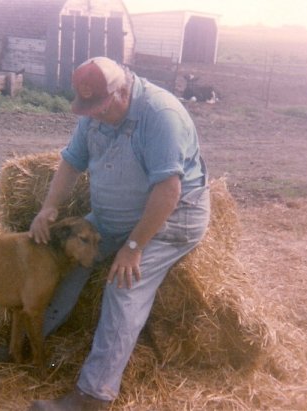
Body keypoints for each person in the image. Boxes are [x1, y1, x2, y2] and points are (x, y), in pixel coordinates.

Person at [28, 56, 210, 411]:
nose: (92, 115)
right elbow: (72, 160)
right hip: (116, 215)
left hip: (170, 218)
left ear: (122, 91)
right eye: (87, 108)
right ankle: (30, 342)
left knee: (124, 284)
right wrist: (48, 207)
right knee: (67, 256)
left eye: (98, 107)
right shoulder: (95, 114)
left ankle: (93, 396)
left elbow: (168, 191)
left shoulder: (160, 115)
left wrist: (133, 246)